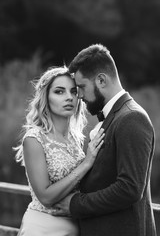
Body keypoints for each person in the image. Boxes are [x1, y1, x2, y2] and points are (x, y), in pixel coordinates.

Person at [52, 44, 157, 236]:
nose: (79, 96)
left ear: (101, 80)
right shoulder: (115, 117)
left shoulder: (132, 118)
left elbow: (130, 188)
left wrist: (76, 204)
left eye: (82, 87)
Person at [14, 66, 105, 236]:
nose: (69, 97)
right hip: (43, 228)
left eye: (73, 91)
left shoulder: (75, 138)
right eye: (59, 92)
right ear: (46, 97)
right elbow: (46, 197)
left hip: (76, 227)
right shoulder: (34, 139)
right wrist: (86, 164)